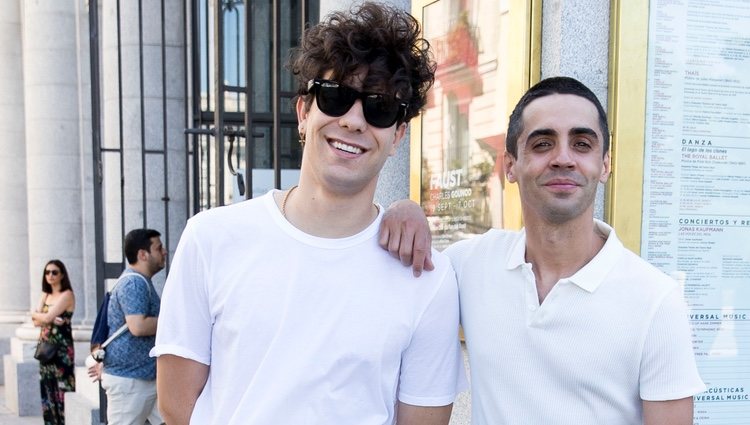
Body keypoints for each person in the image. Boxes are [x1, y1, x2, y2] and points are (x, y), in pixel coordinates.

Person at [152, 3, 465, 425]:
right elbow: (177, 405)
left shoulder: (426, 276)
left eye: (379, 108)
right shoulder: (211, 238)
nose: (354, 121)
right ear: (304, 112)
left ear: (398, 135)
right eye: (336, 98)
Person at [381, 76, 705, 424]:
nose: (563, 158)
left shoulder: (656, 301)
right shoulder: (470, 265)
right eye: (542, 144)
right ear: (510, 166)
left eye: (582, 144)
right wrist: (404, 209)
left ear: (605, 164)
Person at [88, 228, 166, 425]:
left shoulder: (140, 281)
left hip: (144, 378)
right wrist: (172, 321)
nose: (164, 252)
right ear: (143, 254)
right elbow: (138, 326)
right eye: (158, 248)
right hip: (131, 382)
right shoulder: (133, 283)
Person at [31, 259, 76, 425]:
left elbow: (46, 317)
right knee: (47, 387)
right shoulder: (45, 294)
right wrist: (41, 317)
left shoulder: (67, 295)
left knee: (62, 387)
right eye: (47, 272)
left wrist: (40, 316)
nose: (50, 275)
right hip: (44, 349)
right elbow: (35, 321)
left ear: (62, 275)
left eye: (54, 272)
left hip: (61, 350)